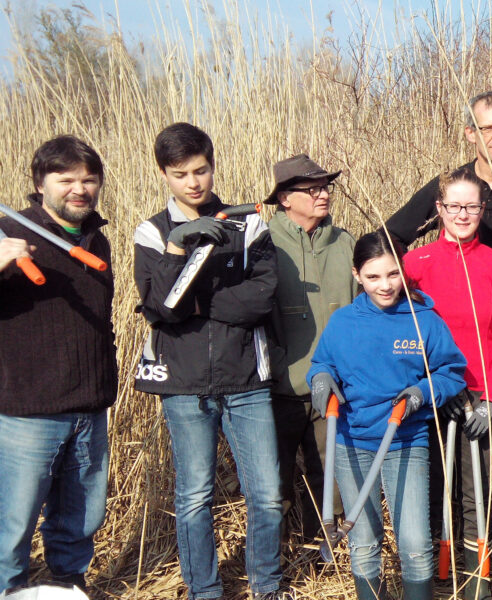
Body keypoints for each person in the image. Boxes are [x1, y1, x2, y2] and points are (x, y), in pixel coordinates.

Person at [133, 123, 284, 600]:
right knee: (195, 497)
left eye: (201, 170)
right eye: (180, 174)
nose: (193, 182)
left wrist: (192, 305)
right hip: (183, 383)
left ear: (213, 165)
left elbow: (261, 298)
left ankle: (268, 586)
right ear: (164, 174)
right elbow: (157, 305)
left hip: (247, 379)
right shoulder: (151, 232)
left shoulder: (249, 223)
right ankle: (204, 591)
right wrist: (179, 245)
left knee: (265, 495)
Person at [0, 136, 117, 600]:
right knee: (6, 541)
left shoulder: (97, 239)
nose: (79, 189)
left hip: (88, 412)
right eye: (66, 179)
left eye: (88, 179)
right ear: (40, 183)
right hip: (26, 416)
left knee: (76, 534)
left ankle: (65, 590)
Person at [308, 231, 466, 600]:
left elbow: (451, 371)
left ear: (404, 272)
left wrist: (421, 393)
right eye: (374, 277)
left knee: (413, 540)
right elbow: (322, 363)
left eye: (393, 274)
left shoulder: (422, 319)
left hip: (405, 440)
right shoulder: (344, 321)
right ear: (356, 275)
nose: (385, 285)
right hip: (352, 440)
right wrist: (320, 380)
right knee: (362, 538)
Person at [403, 166, 492, 599]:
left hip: (483, 394)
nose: (463, 214)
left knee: (479, 494)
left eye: (471, 206)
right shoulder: (414, 265)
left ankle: (479, 579)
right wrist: (433, 385)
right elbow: (404, 333)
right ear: (439, 209)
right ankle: (439, 575)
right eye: (454, 206)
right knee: (437, 488)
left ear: (482, 209)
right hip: (434, 395)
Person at [264, 153, 359, 541]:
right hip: (280, 387)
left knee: (332, 474)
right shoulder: (264, 243)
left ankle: (326, 552)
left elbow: (360, 310)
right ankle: (281, 558)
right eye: (312, 189)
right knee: (276, 479)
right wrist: (279, 365)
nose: (323, 195)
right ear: (285, 198)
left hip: (335, 385)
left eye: (326, 187)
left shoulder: (345, 243)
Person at [384, 91, 492, 263]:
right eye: (488, 129)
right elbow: (390, 238)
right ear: (470, 133)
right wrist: (415, 279)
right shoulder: (450, 185)